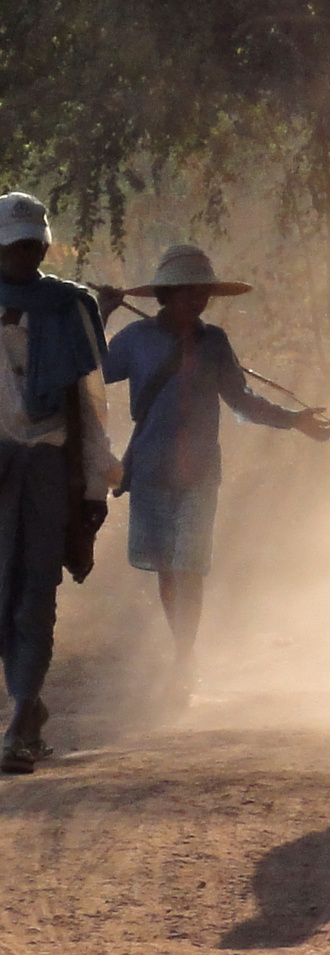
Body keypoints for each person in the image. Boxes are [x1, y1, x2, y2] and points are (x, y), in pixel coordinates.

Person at [101, 245, 330, 698]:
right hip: (150, 469)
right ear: (167, 294)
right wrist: (101, 314)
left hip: (200, 471)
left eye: (203, 291)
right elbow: (90, 372)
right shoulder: (134, 339)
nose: (197, 299)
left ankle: (184, 657)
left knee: (189, 567)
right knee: (169, 569)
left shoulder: (215, 343)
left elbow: (242, 401)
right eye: (188, 290)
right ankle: (181, 650)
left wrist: (294, 420)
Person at [0, 192, 120, 774]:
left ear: (43, 244)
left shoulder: (67, 308)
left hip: (49, 471)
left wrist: (94, 488)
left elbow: (91, 405)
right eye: (12, 244)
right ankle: (28, 702)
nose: (23, 253)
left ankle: (22, 716)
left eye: (31, 243)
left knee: (35, 596)